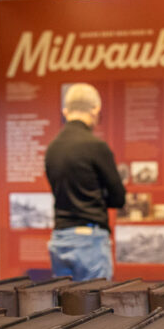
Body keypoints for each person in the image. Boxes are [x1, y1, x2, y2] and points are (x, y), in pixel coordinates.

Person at [45, 83, 126, 280]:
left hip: (60, 238)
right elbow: (118, 198)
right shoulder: (96, 146)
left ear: (66, 111)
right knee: (96, 306)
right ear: (95, 110)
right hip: (89, 240)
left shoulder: (52, 148)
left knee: (66, 306)